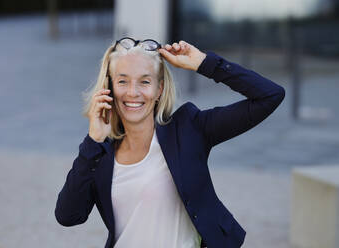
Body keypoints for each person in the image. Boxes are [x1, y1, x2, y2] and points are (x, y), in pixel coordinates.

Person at [54, 37, 285, 248]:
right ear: (109, 88)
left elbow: (269, 96)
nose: (133, 92)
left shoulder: (189, 130)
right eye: (122, 81)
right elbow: (68, 216)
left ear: (159, 89)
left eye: (145, 82)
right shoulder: (98, 153)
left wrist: (203, 63)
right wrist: (93, 140)